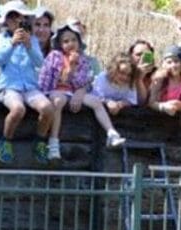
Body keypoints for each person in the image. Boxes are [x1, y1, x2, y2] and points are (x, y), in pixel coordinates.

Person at [38, 23, 125, 155]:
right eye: (66, 41)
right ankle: (53, 141)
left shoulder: (83, 60)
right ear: (60, 44)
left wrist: (79, 88)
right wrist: (71, 68)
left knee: (95, 102)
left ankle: (111, 133)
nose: (70, 43)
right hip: (55, 90)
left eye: (73, 40)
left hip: (73, 91)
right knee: (58, 101)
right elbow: (56, 80)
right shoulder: (54, 56)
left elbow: (82, 82)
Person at [0, 1, 55, 164]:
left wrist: (28, 46)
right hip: (9, 86)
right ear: (6, 21)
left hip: (29, 87)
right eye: (13, 17)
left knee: (47, 108)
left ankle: (40, 141)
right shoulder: (1, 38)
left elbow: (39, 62)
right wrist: (13, 43)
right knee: (18, 109)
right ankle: (6, 141)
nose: (17, 21)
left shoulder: (31, 39)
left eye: (20, 17)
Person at [148, 45, 181, 117]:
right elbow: (151, 103)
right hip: (159, 118)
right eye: (169, 62)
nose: (173, 65)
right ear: (164, 64)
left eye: (176, 61)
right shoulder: (160, 78)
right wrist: (164, 106)